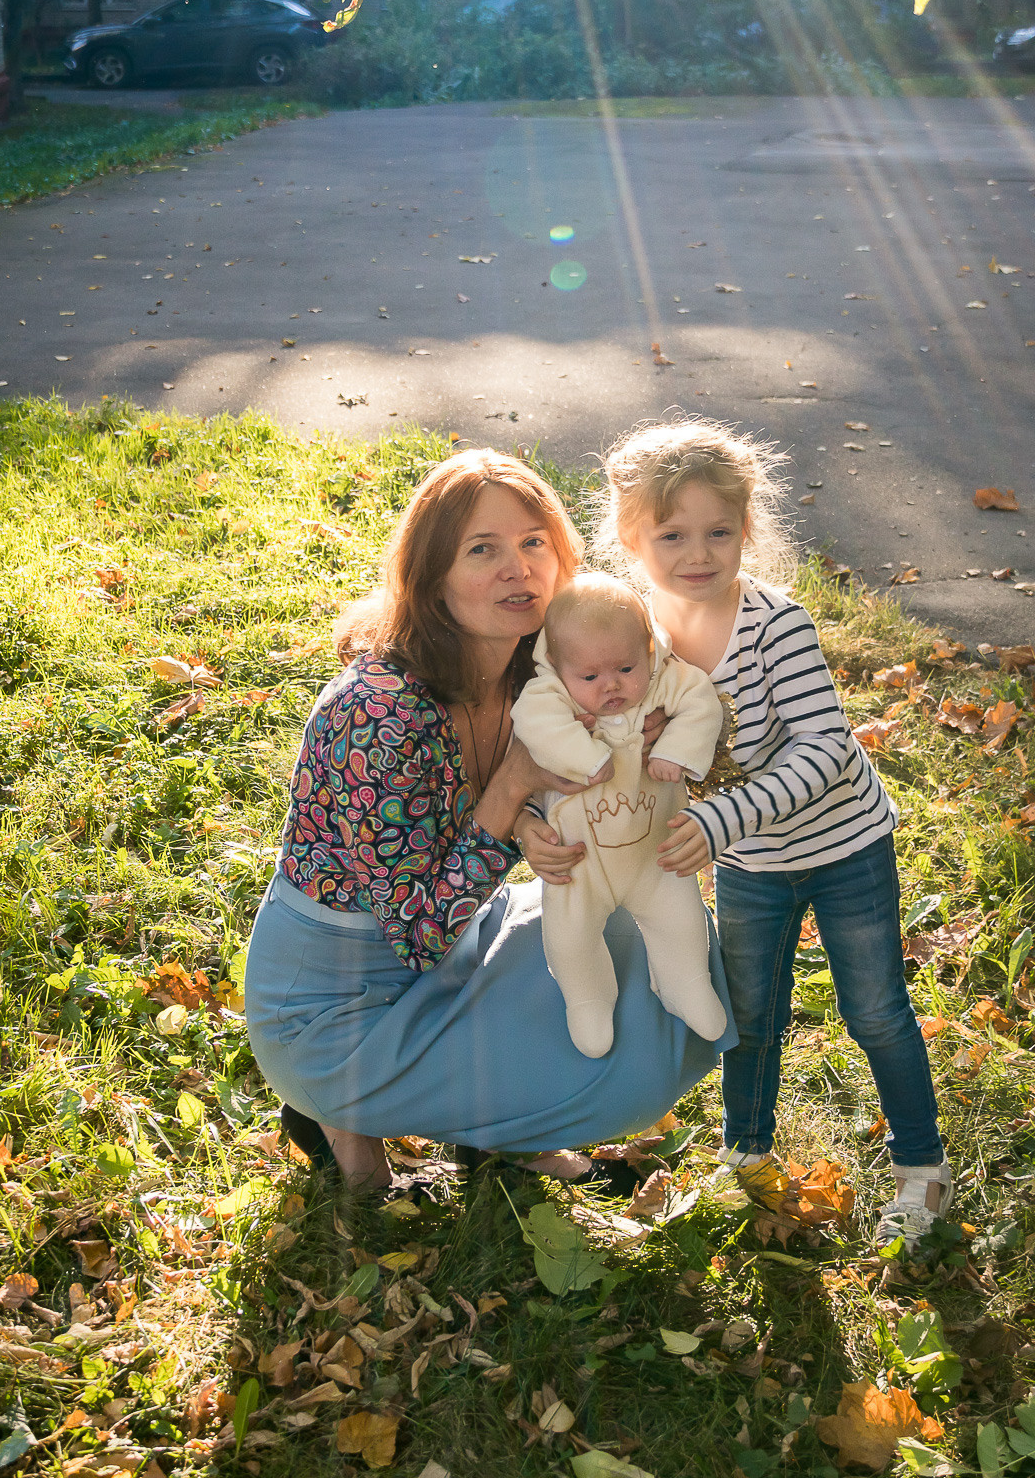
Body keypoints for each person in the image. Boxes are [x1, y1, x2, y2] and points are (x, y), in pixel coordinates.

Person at [242, 447, 735, 1190]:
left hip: (461, 942)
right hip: (344, 1001)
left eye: (534, 543)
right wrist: (510, 791)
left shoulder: (538, 670)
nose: (519, 568)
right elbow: (417, 931)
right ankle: (342, 1113)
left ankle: (495, 1130)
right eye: (484, 550)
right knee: (609, 1063)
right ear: (433, 576)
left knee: (648, 949)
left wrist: (651, 739)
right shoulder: (376, 714)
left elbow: (668, 683)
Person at [593, 419, 952, 1250]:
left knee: (875, 1011)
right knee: (749, 1014)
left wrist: (717, 819)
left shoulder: (772, 625)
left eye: (720, 531)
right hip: (752, 863)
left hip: (843, 849)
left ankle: (921, 1168)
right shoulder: (636, 638)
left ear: (747, 530)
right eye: (672, 534)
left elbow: (827, 747)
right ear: (630, 538)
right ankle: (746, 1156)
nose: (698, 552)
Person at [511, 572, 729, 1058]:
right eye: (590, 676)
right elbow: (534, 722)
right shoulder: (553, 698)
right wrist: (586, 758)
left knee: (682, 919)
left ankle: (685, 984)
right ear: (558, 668)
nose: (610, 685)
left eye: (625, 668)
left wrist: (676, 747)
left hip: (656, 852)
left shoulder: (659, 683)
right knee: (569, 937)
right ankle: (588, 999)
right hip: (580, 863)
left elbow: (700, 699)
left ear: (649, 650)